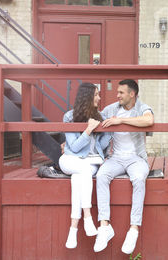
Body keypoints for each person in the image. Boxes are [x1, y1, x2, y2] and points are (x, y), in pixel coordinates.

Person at [93, 79, 154, 254]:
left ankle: (133, 229)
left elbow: (149, 120)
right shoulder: (112, 109)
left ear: (132, 94)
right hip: (115, 158)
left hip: (136, 158)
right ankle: (104, 226)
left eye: (121, 92)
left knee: (138, 179)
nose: (117, 95)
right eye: (118, 92)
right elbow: (94, 117)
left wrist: (120, 121)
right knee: (102, 175)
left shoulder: (141, 107)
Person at [59, 82, 112, 249]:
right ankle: (87, 216)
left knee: (78, 177)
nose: (99, 98)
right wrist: (88, 130)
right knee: (81, 171)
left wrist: (108, 131)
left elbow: (101, 146)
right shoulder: (69, 116)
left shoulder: (100, 116)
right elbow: (73, 147)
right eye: (96, 95)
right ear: (87, 97)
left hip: (91, 161)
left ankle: (73, 229)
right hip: (71, 159)